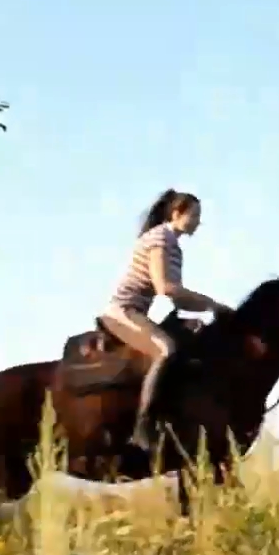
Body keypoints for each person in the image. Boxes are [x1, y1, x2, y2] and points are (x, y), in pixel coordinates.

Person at [100, 189, 232, 451]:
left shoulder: (175, 248)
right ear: (176, 213)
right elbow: (165, 287)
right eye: (194, 215)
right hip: (123, 311)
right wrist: (212, 303)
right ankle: (142, 425)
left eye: (199, 217)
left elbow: (179, 299)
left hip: (139, 312)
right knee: (165, 349)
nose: (197, 222)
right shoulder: (160, 238)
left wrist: (209, 312)